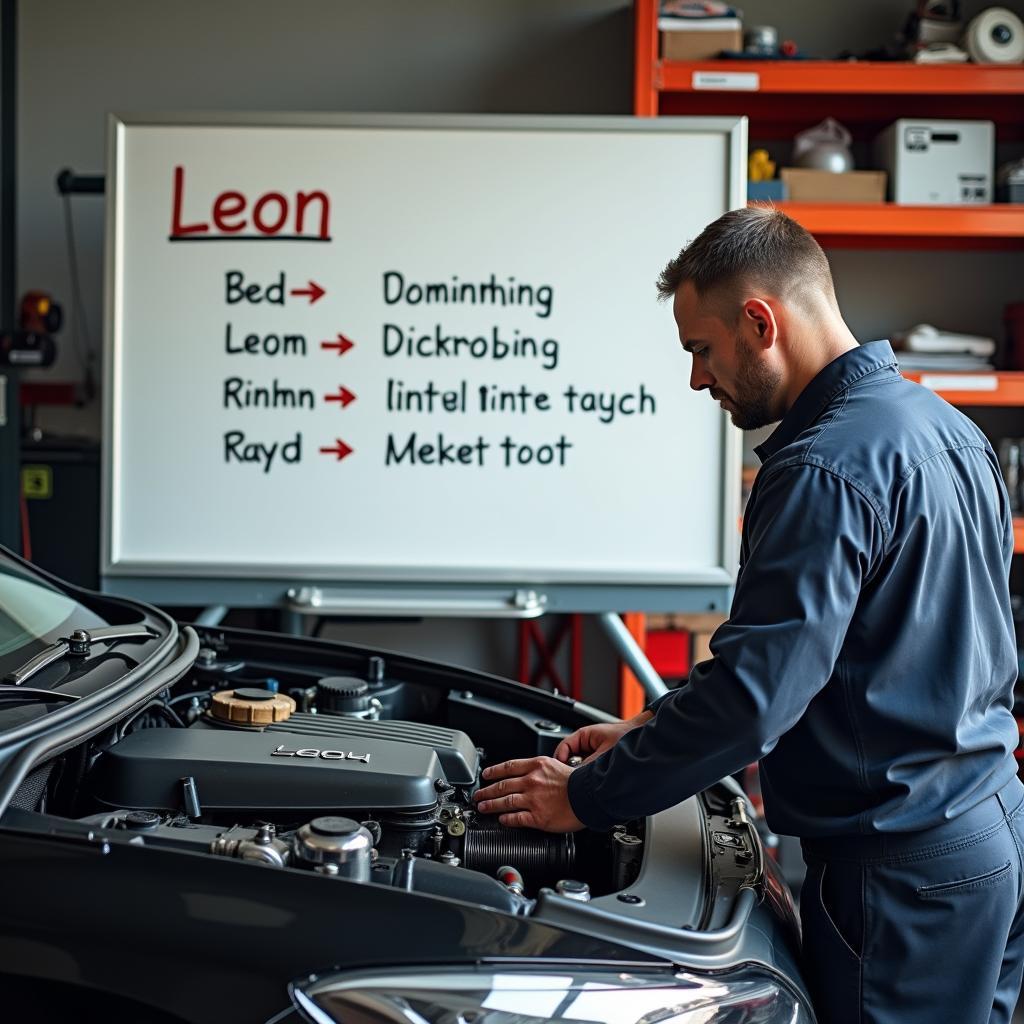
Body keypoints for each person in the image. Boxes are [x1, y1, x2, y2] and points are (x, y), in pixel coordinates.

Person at [474, 207, 1023, 1024]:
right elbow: (852, 665)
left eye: (701, 348)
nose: (698, 378)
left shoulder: (820, 469)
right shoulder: (950, 431)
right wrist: (650, 733)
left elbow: (755, 700)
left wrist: (585, 799)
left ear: (760, 322)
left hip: (902, 877)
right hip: (992, 833)